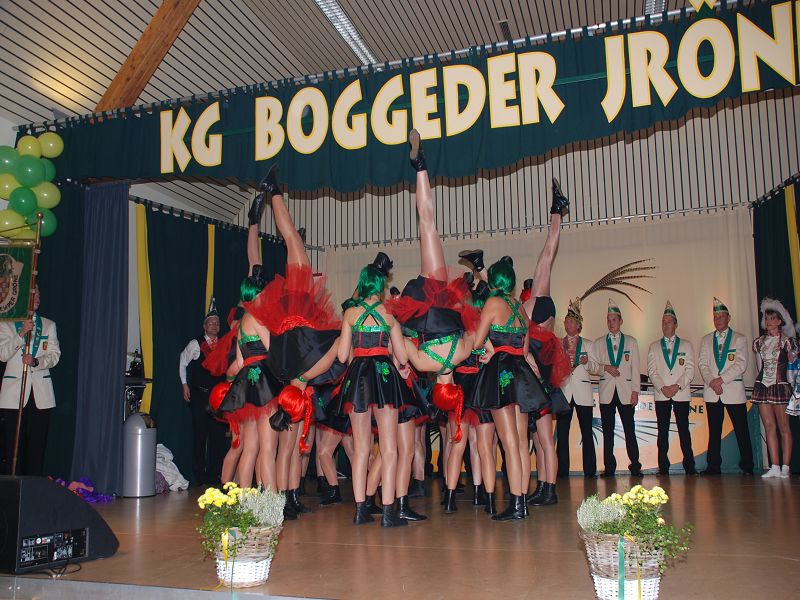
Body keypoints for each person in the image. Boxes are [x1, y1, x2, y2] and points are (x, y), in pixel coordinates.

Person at [334, 254, 411, 527]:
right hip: (383, 376)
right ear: (380, 286)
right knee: (389, 449)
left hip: (358, 378)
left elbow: (342, 356)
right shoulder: (389, 315)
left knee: (361, 448)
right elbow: (403, 357)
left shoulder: (350, 314)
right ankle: (388, 512)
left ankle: (360, 510)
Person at [0, 286, 60, 476]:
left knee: (37, 445)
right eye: (33, 294)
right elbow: (3, 354)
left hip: (41, 394)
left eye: (39, 294)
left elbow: (54, 356)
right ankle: (12, 486)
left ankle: (33, 487)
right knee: (13, 446)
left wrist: (36, 361)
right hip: (13, 394)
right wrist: (20, 335)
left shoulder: (48, 325)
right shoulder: (6, 324)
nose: (37, 298)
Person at [697, 298, 753, 475]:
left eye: (721, 316)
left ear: (729, 318)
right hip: (713, 392)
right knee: (714, 431)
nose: (718, 319)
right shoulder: (706, 340)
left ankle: (748, 465)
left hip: (733, 391)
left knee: (741, 430)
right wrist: (712, 382)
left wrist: (720, 380)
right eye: (715, 317)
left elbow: (741, 364)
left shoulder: (739, 339)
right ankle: (713, 465)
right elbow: (702, 364)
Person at [590, 299, 642, 477]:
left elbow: (636, 368)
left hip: (626, 392)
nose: (611, 323)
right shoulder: (598, 343)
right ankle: (609, 467)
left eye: (614, 320)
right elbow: (592, 366)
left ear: (621, 321)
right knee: (608, 432)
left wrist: (635, 391)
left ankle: (635, 465)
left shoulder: (631, 342)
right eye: (608, 320)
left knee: (629, 429)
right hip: (606, 393)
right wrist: (605, 367)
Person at [179, 299, 228, 485]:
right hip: (200, 395)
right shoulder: (195, 343)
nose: (214, 325)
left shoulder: (224, 344)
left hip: (219, 398)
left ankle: (215, 473)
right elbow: (182, 362)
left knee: (217, 436)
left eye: (217, 323)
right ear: (204, 326)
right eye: (211, 322)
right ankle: (199, 475)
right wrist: (185, 385)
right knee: (200, 435)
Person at [646, 301, 697, 476]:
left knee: (684, 431)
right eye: (663, 322)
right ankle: (663, 468)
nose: (666, 325)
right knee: (663, 432)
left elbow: (690, 370)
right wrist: (663, 387)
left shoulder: (686, 345)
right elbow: (652, 371)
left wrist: (676, 386)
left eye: (669, 322)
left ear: (676, 324)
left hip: (680, 393)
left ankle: (690, 467)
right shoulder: (653, 346)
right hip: (662, 395)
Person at [751, 298, 798, 478]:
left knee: (784, 426)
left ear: (779, 321)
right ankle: (775, 466)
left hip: (780, 386)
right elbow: (759, 365)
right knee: (769, 426)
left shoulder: (787, 341)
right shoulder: (759, 342)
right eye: (767, 318)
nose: (769, 321)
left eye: (772, 318)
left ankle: (786, 466)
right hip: (763, 386)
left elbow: (793, 364)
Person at [556, 298, 599, 478]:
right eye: (566, 322)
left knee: (587, 433)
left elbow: (596, 368)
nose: (568, 324)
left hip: (583, 393)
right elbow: (554, 367)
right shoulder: (559, 343)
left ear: (578, 325)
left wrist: (587, 362)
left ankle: (590, 471)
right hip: (564, 392)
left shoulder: (588, 344)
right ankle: (561, 471)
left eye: (571, 322)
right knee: (562, 433)